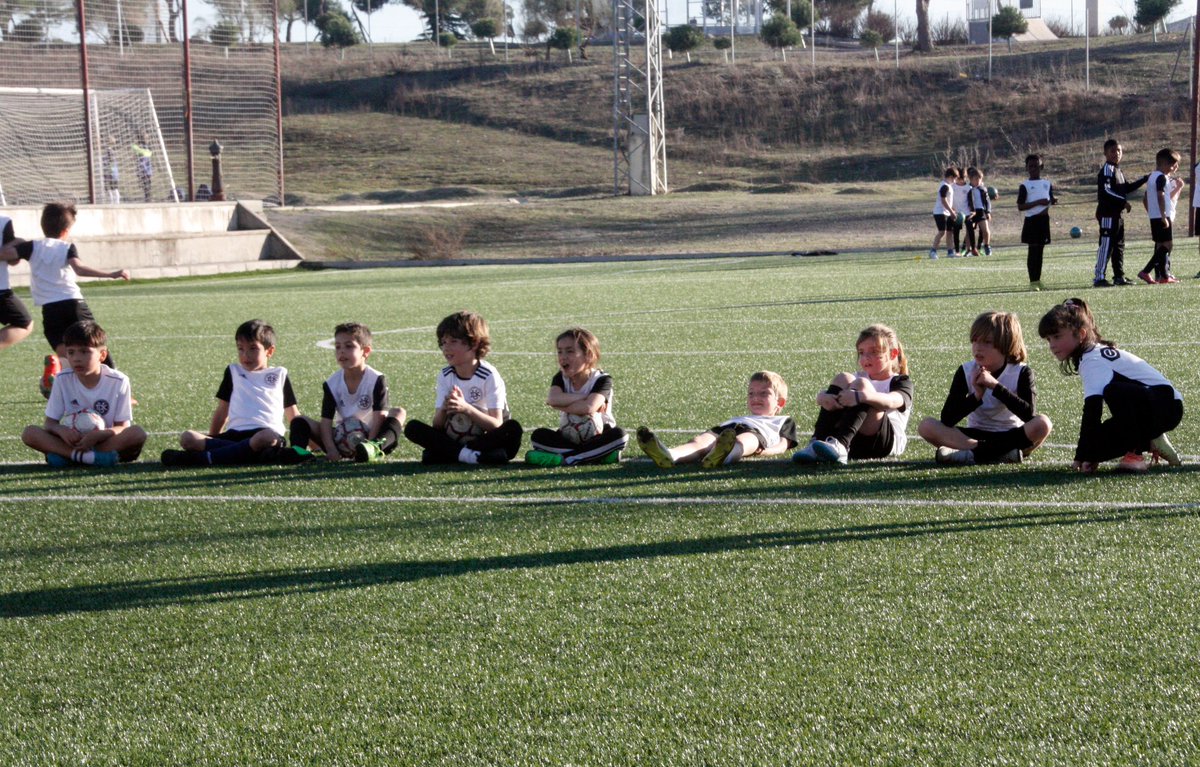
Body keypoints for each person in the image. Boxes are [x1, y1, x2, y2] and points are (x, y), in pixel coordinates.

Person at [1037, 298, 1183, 473]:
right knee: (1095, 446)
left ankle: (1136, 453)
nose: (1052, 345)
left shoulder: (1092, 360)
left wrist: (1081, 455)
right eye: (1048, 339)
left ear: (1081, 334)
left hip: (1166, 407)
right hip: (1155, 409)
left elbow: (1092, 411)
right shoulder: (1090, 355)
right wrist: (1090, 455)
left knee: (1114, 392)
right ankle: (1152, 440)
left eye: (1057, 337)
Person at [0, 202, 130, 398]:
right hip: (73, 304)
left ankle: (62, 374)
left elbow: (4, 254)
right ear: (66, 231)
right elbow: (79, 269)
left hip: (50, 310)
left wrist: (16, 242)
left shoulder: (31, 247)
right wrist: (111, 274)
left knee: (67, 351)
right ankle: (117, 391)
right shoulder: (67, 247)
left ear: (43, 225)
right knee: (95, 345)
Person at [160, 319, 311, 467]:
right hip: (234, 436)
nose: (245, 355)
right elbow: (222, 411)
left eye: (253, 349)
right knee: (188, 437)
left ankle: (203, 458)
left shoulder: (279, 374)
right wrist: (212, 438)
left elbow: (293, 415)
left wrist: (310, 444)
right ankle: (246, 455)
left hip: (265, 434)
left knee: (266, 438)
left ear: (269, 351)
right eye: (240, 349)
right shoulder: (233, 372)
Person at [918, 311, 1052, 466]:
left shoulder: (1021, 371)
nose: (978, 348)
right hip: (973, 436)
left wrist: (995, 387)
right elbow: (947, 419)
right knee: (926, 426)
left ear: (1006, 345)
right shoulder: (966, 370)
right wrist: (976, 396)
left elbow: (1029, 415)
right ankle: (997, 454)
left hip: (1010, 436)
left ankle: (972, 454)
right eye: (975, 341)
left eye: (987, 342)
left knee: (1043, 424)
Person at [403, 310, 523, 465]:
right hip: (456, 439)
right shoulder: (445, 375)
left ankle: (453, 454)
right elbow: (437, 426)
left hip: (486, 438)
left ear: (474, 343)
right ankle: (472, 456)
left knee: (513, 429)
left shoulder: (489, 375)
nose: (446, 348)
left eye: (453, 341)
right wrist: (444, 408)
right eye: (443, 342)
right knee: (412, 428)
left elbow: (496, 425)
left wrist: (466, 409)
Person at [21, 320, 146, 467]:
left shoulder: (119, 381)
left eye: (84, 351)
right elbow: (50, 423)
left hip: (104, 441)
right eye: (71, 352)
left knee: (137, 433)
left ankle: (69, 456)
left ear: (102, 355)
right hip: (72, 442)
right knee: (29, 433)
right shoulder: (62, 379)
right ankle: (90, 458)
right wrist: (61, 430)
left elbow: (123, 427)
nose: (76, 358)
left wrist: (100, 434)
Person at [793, 325, 912, 465]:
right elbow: (831, 395)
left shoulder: (900, 381)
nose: (865, 358)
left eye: (874, 352)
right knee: (843, 377)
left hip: (883, 445)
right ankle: (816, 443)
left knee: (862, 384)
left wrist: (862, 396)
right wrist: (822, 397)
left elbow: (893, 401)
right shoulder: (856, 377)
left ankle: (841, 446)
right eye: (861, 352)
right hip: (855, 443)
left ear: (892, 354)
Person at [290, 322, 406, 462]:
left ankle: (374, 449)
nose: (342, 351)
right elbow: (326, 422)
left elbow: (379, 418)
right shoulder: (331, 383)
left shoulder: (376, 379)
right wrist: (331, 449)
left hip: (373, 436)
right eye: (337, 347)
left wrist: (369, 445)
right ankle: (299, 454)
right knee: (299, 420)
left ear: (365, 351)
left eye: (349, 346)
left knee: (399, 412)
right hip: (341, 439)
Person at [638, 371, 797, 469]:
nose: (756, 398)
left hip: (757, 434)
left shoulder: (783, 420)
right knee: (699, 442)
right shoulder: (741, 418)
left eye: (764, 394)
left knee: (743, 442)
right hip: (727, 429)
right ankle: (670, 455)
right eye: (751, 393)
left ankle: (723, 457)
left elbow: (783, 445)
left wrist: (766, 452)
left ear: (780, 402)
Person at [526, 327, 629, 467]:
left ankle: (568, 458)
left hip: (598, 436)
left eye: (570, 351)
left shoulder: (602, 380)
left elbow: (588, 407)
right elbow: (552, 399)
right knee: (538, 436)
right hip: (568, 438)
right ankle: (595, 456)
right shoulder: (561, 377)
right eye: (559, 351)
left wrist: (561, 404)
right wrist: (585, 396)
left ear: (588, 355)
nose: (563, 357)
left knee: (620, 436)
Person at [1093, 139, 1148, 287]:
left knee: (1118, 246)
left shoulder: (1117, 170)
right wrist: (1123, 202)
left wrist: (1144, 179)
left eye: (1119, 151)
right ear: (1105, 153)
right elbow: (1106, 191)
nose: (1116, 153)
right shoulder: (1107, 170)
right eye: (1113, 151)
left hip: (1117, 215)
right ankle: (1099, 278)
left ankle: (1119, 276)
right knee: (1106, 246)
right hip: (1107, 215)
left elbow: (1126, 188)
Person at [1138, 148, 1183, 285]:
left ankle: (1164, 276)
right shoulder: (1161, 177)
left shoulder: (1152, 176)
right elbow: (1160, 196)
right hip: (1163, 215)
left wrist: (1151, 212)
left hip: (1154, 216)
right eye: (1172, 165)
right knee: (1168, 245)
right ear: (1163, 163)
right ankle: (1146, 271)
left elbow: (1145, 198)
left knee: (1160, 245)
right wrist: (1163, 216)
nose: (1173, 168)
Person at [1017, 154, 1057, 291]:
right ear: (1026, 168)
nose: (1033, 168)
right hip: (1031, 221)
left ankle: (1038, 281)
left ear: (1042, 167)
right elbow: (1020, 206)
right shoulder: (1025, 185)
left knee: (1040, 252)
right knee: (1033, 252)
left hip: (1043, 221)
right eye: (1031, 166)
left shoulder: (1047, 184)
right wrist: (1039, 202)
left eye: (1036, 166)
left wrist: (1053, 200)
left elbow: (1049, 198)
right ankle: (1032, 282)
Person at [0, 212, 33, 352]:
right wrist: (18, 242)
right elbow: (12, 260)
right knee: (23, 323)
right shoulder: (3, 221)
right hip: (1, 290)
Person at [930, 167, 958, 260]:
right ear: (950, 176)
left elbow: (948, 201)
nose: (955, 181)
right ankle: (933, 251)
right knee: (942, 232)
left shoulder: (949, 186)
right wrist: (951, 212)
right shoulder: (945, 186)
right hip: (940, 212)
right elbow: (943, 200)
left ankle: (950, 252)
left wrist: (952, 209)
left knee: (950, 232)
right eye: (954, 178)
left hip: (947, 212)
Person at [965, 167, 992, 257]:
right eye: (976, 179)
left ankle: (987, 246)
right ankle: (968, 250)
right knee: (969, 232)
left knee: (986, 230)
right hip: (971, 212)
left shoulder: (983, 189)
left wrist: (988, 212)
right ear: (970, 179)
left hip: (981, 211)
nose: (978, 181)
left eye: (980, 179)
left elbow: (987, 202)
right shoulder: (967, 189)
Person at [950, 167, 970, 258]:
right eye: (959, 178)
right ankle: (957, 251)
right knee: (956, 232)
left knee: (970, 230)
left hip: (967, 212)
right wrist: (951, 209)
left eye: (963, 178)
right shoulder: (952, 187)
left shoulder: (968, 188)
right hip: (956, 213)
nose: (961, 181)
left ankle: (966, 248)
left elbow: (971, 201)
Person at [132, 133, 153, 202]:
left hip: (148, 169)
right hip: (142, 169)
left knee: (148, 184)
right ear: (142, 139)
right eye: (146, 138)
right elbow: (134, 148)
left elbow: (149, 154)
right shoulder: (141, 147)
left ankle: (148, 198)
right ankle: (147, 198)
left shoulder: (148, 147)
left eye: (148, 138)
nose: (147, 139)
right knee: (145, 184)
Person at [103, 137, 120, 205]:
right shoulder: (110, 151)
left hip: (111, 172)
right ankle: (113, 201)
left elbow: (111, 161)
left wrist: (108, 167)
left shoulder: (109, 151)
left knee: (112, 187)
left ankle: (115, 201)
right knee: (110, 187)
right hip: (111, 171)